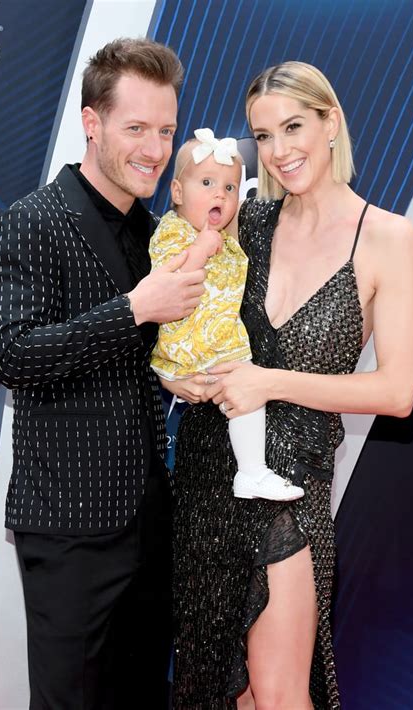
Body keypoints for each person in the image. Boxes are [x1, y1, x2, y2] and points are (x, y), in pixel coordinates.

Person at [163, 61, 413, 708]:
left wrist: (266, 382)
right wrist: (184, 374)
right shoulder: (244, 223)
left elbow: (397, 392)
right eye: (263, 136)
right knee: (220, 696)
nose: (279, 153)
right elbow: (183, 310)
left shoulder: (389, 238)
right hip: (206, 479)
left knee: (279, 696)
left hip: (292, 494)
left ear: (330, 122)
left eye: (293, 127)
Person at [0, 37, 206, 710]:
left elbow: (146, 361)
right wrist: (135, 310)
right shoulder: (31, 222)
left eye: (165, 130)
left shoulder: (160, 234)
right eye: (136, 128)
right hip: (71, 530)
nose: (154, 148)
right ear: (92, 123)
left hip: (149, 525)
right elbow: (14, 356)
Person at [150, 128, 304, 502]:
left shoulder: (225, 238)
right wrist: (201, 250)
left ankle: (251, 470)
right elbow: (162, 283)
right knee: (247, 391)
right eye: (206, 182)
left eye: (230, 187)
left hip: (213, 350)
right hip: (190, 347)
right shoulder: (174, 232)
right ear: (177, 193)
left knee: (247, 397)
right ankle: (253, 471)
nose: (219, 193)